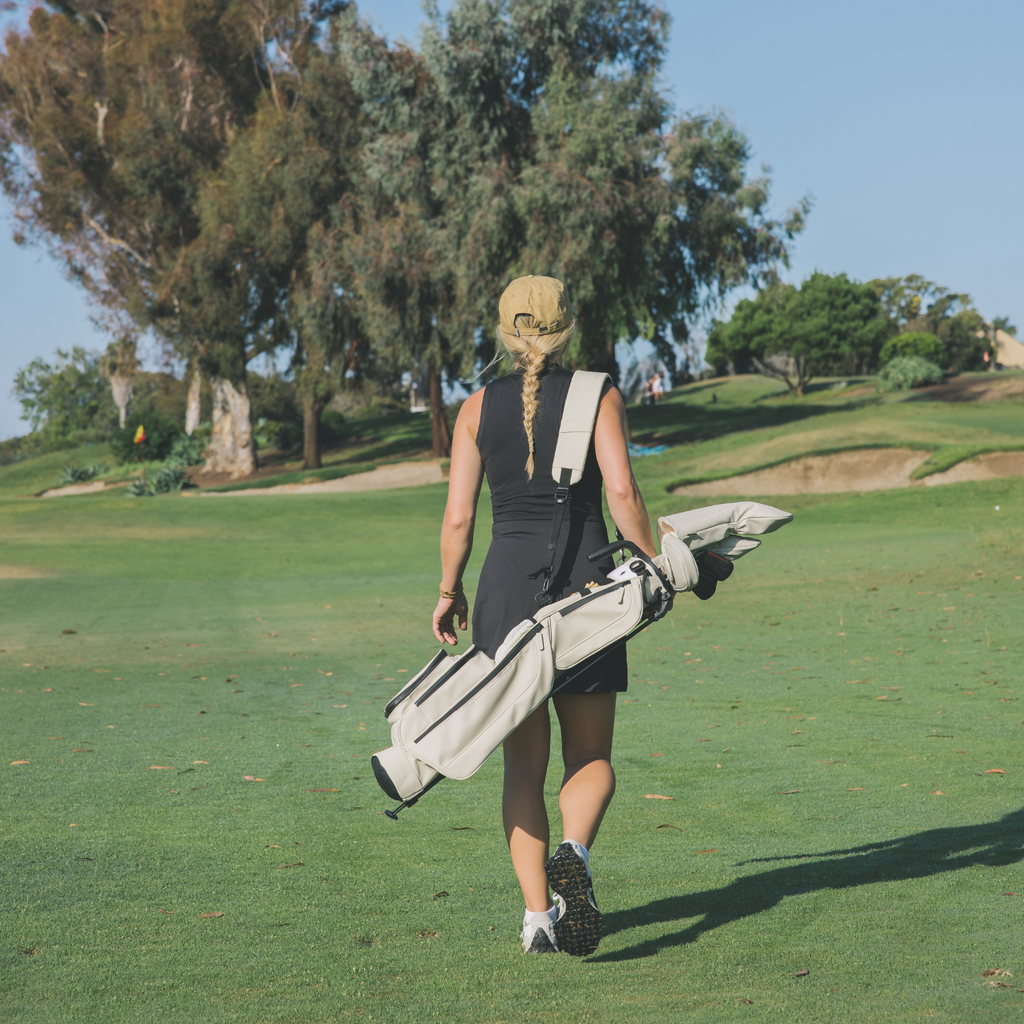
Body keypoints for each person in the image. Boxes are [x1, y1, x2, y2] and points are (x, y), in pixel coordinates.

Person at [431, 276, 657, 956]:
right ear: (568, 328)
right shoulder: (599, 394)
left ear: (503, 332)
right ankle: (574, 855)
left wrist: (449, 590)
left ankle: (537, 920)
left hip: (505, 596)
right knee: (590, 756)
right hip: (587, 591)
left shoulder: (475, 407)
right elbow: (621, 489)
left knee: (521, 770)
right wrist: (656, 567)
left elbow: (460, 518)